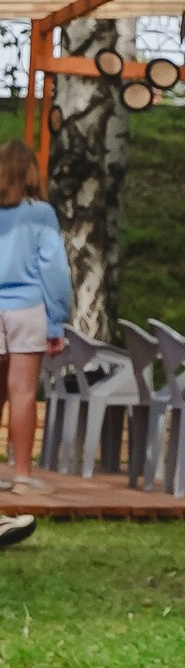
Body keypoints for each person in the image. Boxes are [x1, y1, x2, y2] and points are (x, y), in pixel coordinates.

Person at [0, 137, 66, 532]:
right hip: (26, 308)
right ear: (31, 172)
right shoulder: (40, 213)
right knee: (23, 393)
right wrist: (56, 321)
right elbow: (53, 269)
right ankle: (22, 476)